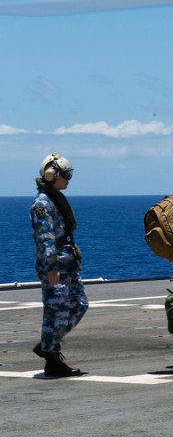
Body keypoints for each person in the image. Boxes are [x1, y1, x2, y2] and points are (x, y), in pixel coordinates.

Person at [30, 154, 88, 377]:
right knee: (55, 312)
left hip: (68, 264)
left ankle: (47, 345)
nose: (69, 179)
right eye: (66, 175)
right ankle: (52, 360)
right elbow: (45, 238)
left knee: (80, 305)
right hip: (56, 266)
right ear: (51, 175)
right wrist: (51, 265)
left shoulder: (54, 199)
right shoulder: (42, 204)